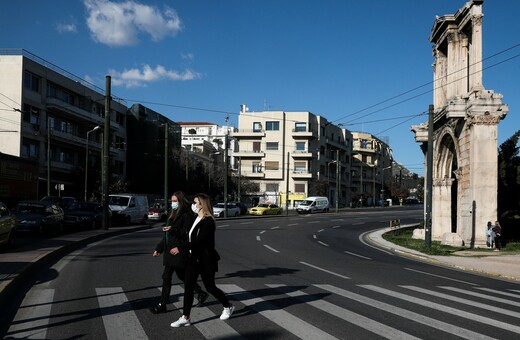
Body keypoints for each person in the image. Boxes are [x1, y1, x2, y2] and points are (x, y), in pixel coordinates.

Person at [170, 193, 235, 327]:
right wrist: (173, 230)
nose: (193, 205)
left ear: (202, 205)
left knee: (210, 287)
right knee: (188, 286)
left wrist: (180, 248)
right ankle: (185, 317)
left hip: (206, 259)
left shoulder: (208, 222)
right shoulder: (195, 218)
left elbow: (199, 242)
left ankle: (228, 306)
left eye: (195, 202)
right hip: (193, 258)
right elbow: (188, 234)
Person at [150, 191, 209, 314]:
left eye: (175, 201)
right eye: (172, 201)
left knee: (168, 277)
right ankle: (200, 293)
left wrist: (173, 229)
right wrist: (159, 248)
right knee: (180, 276)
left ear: (181, 201)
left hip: (178, 250)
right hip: (170, 250)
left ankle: (162, 305)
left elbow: (186, 233)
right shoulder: (172, 214)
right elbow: (167, 235)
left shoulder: (186, 215)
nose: (173, 203)